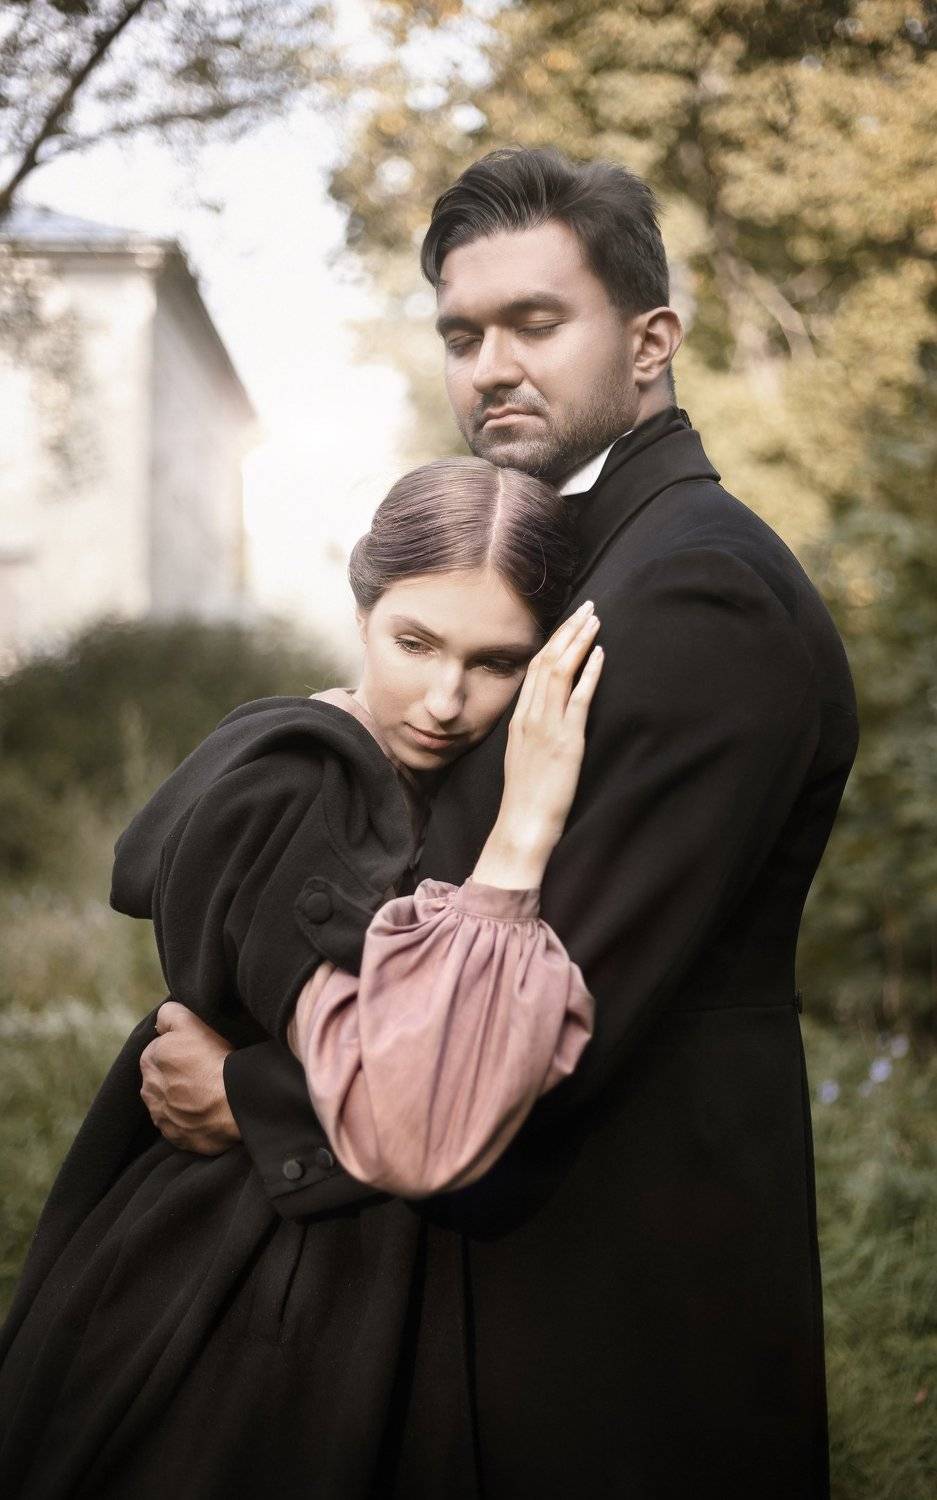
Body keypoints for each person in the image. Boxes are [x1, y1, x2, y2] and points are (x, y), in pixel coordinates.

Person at [154, 148, 858, 1499]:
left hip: (612, 1291)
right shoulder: (585, 563)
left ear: (649, 342)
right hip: (535, 1265)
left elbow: (565, 1006)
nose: (489, 367)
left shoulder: (694, 593)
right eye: (462, 334)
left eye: (536, 323)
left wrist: (248, 1096)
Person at [0, 456, 603, 1499]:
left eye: (496, 663)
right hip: (247, 1271)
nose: (446, 700)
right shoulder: (299, 787)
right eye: (415, 643)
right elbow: (416, 1106)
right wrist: (524, 828)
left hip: (322, 1248)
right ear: (363, 611)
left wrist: (246, 1088)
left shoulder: (403, 782)